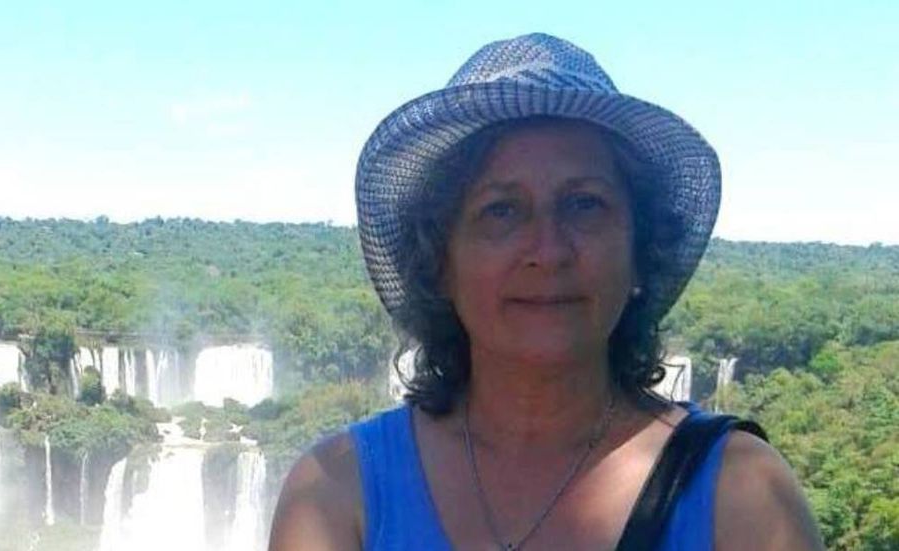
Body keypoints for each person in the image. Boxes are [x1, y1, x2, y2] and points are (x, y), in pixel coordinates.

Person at [269, 33, 824, 550]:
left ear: (640, 250)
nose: (549, 250)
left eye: (584, 204)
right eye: (501, 211)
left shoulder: (741, 497)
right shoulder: (338, 494)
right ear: (440, 262)